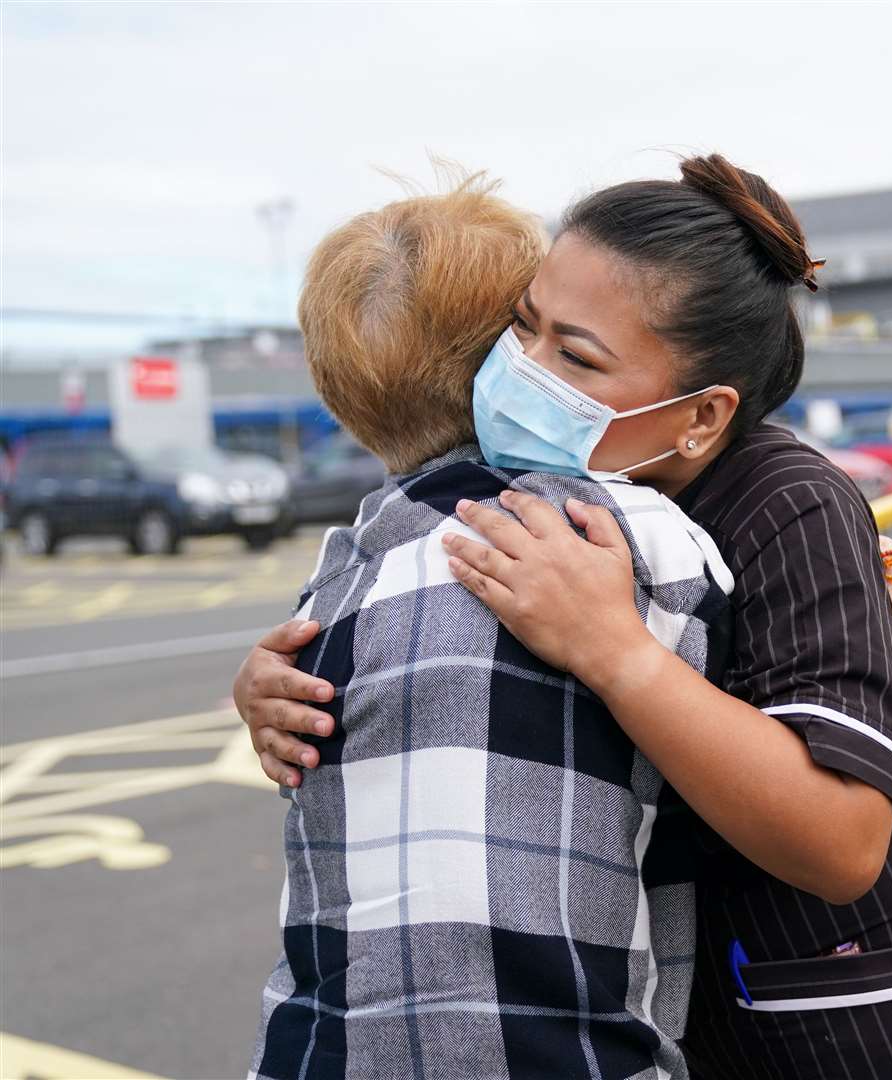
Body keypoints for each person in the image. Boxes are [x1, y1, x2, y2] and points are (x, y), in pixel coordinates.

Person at [238, 154, 892, 1080]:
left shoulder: (786, 498)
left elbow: (845, 841)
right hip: (720, 994)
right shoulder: (581, 491)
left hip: (857, 996)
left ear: (700, 417)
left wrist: (615, 651)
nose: (523, 373)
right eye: (520, 329)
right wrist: (290, 680)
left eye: (576, 357)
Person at [246, 177, 736, 1080]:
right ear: (497, 361)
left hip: (316, 1055)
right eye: (528, 325)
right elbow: (753, 719)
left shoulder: (338, 575)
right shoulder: (627, 535)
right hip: (562, 1055)